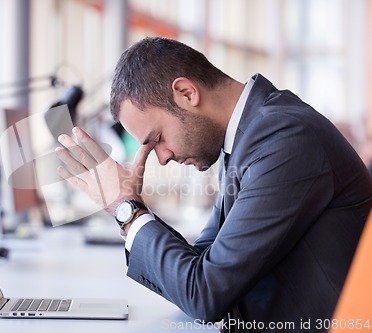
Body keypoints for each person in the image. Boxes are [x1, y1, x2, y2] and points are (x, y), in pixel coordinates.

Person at [54, 37, 372, 333]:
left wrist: (127, 210)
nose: (161, 158)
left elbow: (205, 294)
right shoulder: (249, 137)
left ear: (187, 93)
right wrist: (132, 206)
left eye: (158, 139)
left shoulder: (284, 138)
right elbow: (201, 263)